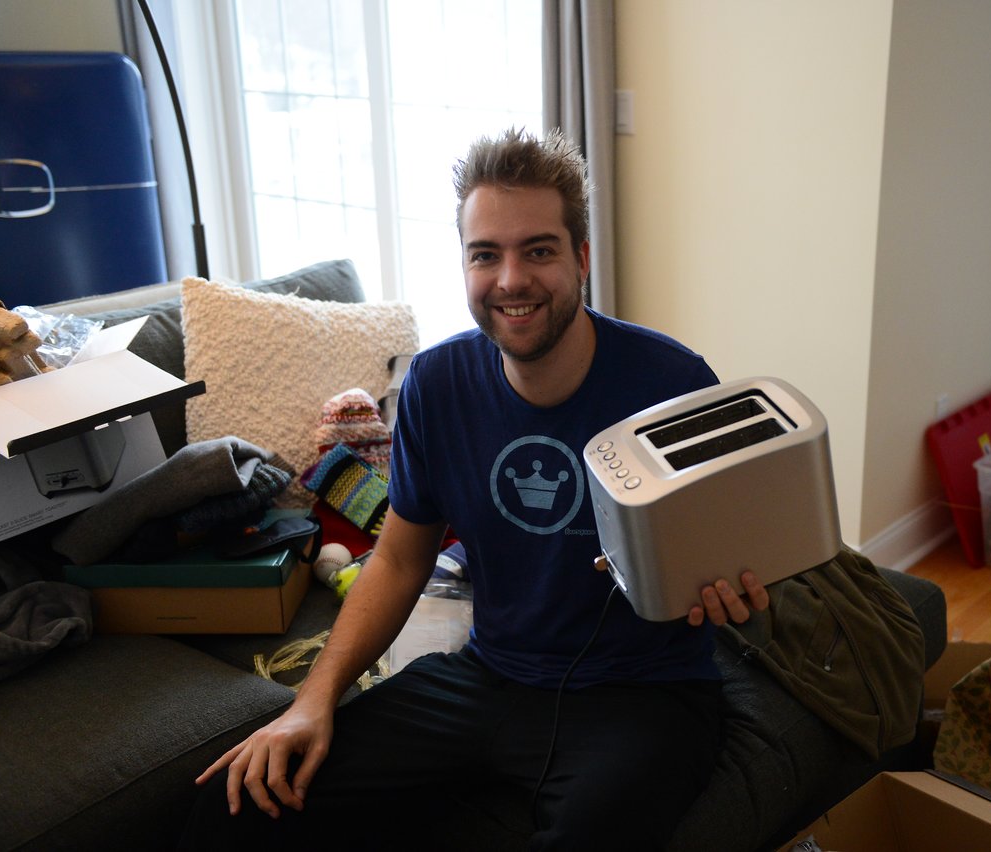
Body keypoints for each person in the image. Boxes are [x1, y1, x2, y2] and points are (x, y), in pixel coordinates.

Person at [179, 127, 769, 851]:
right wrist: (313, 700)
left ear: (581, 258)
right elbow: (398, 560)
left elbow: (731, 549)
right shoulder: (436, 384)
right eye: (486, 254)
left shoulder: (673, 385)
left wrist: (728, 587)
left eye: (540, 250)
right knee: (232, 813)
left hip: (645, 695)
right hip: (489, 678)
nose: (511, 279)